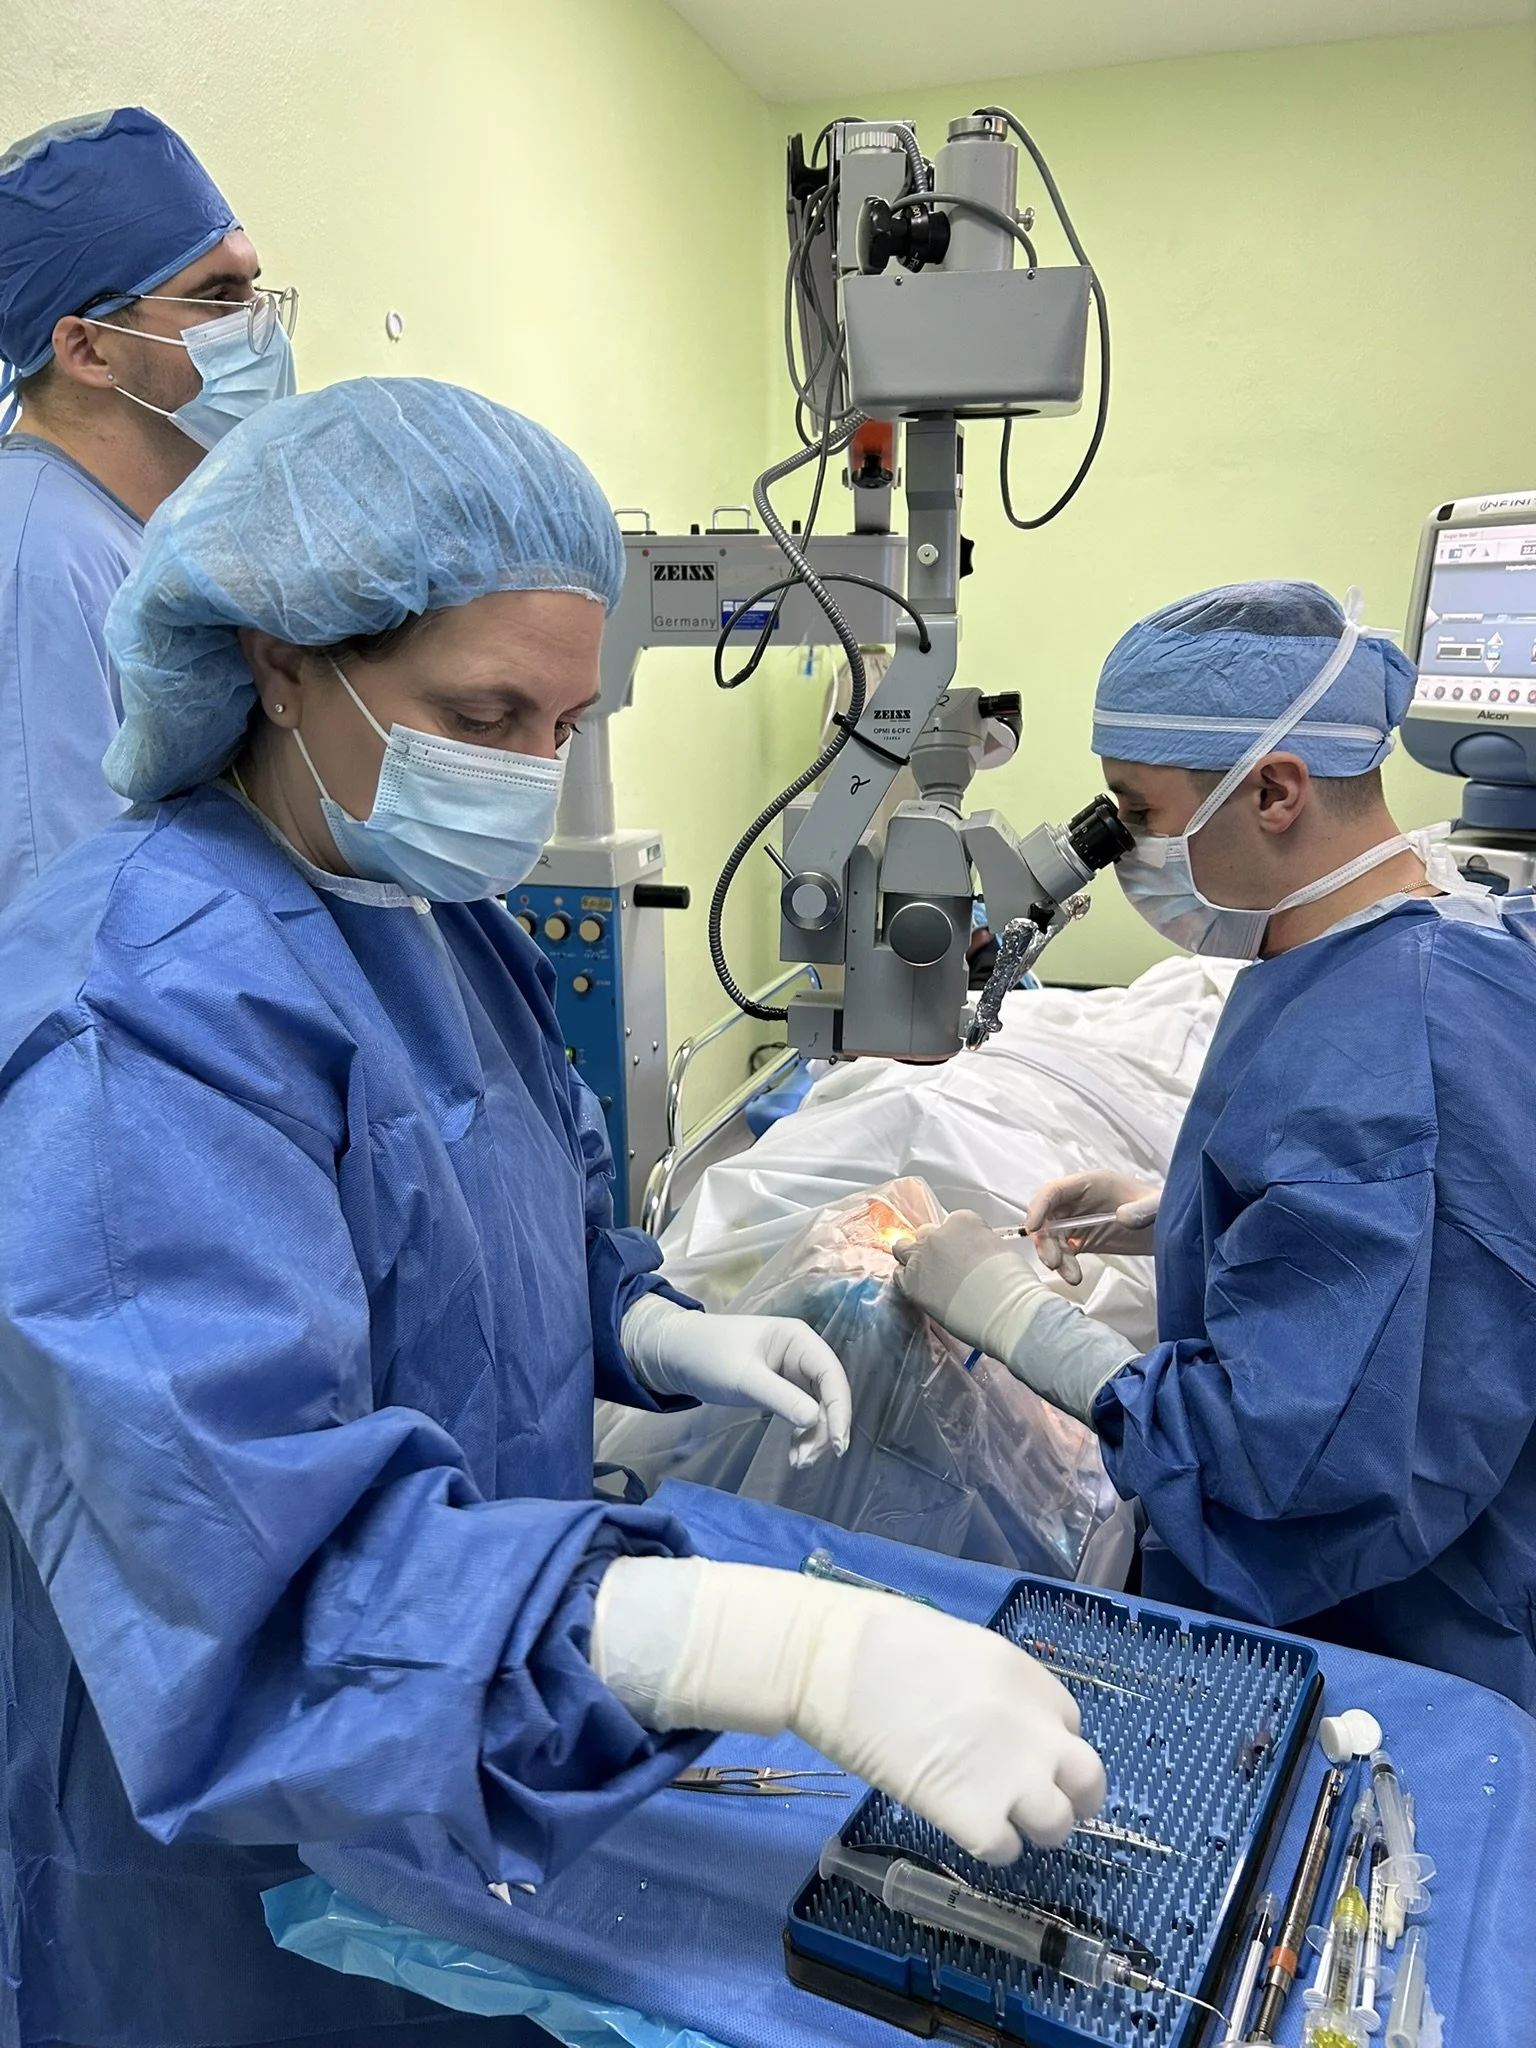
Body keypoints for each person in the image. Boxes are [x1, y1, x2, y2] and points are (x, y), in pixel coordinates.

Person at [0, 377, 1104, 2048]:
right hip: (227, 1825)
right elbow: (256, 1571)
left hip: (463, 1706)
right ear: (277, 661)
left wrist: (651, 1321)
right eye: (485, 713)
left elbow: (515, 1225)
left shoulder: (428, 908)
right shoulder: (135, 1018)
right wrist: (780, 1648)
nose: (531, 774)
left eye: (566, 727)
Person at [896, 580, 1536, 1712]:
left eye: (1136, 812)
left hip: (1395, 1636)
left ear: (1277, 789)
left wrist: (1014, 1318)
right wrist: (1181, 1214)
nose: (1124, 846)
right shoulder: (1417, 931)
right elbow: (1396, 1233)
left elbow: (1284, 1455)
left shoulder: (1389, 1051)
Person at [0, 104, 294, 908]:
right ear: (89, 349)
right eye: (218, 296)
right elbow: (53, 921)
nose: (260, 328)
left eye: (256, 288)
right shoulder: (33, 559)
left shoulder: (134, 532)